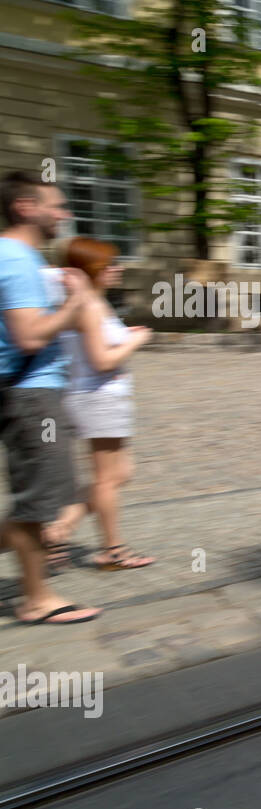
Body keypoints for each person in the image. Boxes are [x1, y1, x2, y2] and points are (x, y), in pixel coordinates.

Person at [0, 171, 101, 625]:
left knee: (42, 495)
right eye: (56, 206)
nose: (64, 213)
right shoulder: (17, 258)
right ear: (26, 208)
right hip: (32, 394)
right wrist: (76, 305)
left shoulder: (19, 258)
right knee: (40, 500)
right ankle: (35, 599)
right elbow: (28, 336)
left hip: (28, 391)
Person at [42, 237, 154, 570]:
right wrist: (136, 341)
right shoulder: (88, 305)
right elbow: (103, 361)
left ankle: (58, 528)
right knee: (107, 478)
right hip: (97, 399)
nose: (117, 269)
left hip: (101, 399)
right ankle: (112, 550)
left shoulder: (90, 301)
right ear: (93, 270)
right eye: (110, 265)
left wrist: (123, 333)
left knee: (121, 473)